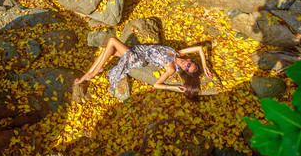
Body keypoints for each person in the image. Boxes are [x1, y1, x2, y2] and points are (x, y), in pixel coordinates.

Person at [75, 37, 213, 100]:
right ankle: (90, 72)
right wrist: (205, 66)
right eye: (189, 64)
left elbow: (156, 85)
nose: (185, 66)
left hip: (137, 58)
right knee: (107, 49)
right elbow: (200, 48)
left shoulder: (171, 68)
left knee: (112, 40)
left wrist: (175, 87)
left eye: (186, 69)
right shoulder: (179, 53)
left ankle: (93, 73)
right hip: (137, 50)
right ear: (189, 59)